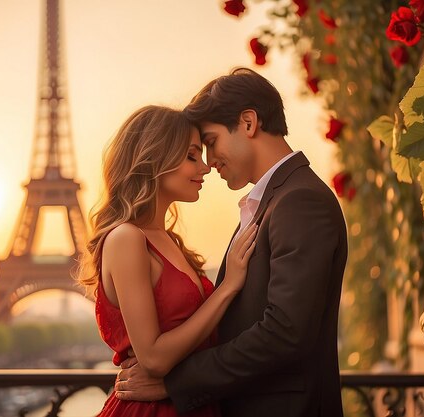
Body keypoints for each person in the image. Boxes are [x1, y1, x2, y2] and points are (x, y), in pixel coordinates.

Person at [114, 68, 348, 417]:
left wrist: (175, 383)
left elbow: (285, 332)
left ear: (249, 122)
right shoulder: (276, 201)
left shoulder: (299, 202)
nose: (209, 163)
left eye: (209, 142)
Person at [79, 105, 258, 417]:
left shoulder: (168, 240)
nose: (205, 168)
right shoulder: (127, 238)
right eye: (191, 156)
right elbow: (154, 358)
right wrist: (228, 287)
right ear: (153, 159)